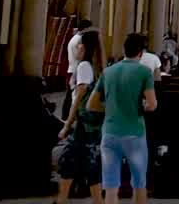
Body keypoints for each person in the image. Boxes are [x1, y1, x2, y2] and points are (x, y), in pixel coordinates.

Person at [87, 33, 157, 204]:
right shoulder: (144, 72)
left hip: (110, 133)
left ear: (124, 50)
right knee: (139, 184)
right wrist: (141, 106)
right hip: (134, 134)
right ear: (141, 52)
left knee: (110, 186)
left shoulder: (108, 71)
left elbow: (91, 104)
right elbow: (152, 104)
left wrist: (110, 108)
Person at [56, 31, 105, 204]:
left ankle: (62, 200)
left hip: (82, 123)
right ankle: (95, 200)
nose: (76, 47)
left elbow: (79, 96)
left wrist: (68, 123)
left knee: (69, 159)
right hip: (93, 123)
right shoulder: (97, 67)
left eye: (79, 44)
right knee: (86, 161)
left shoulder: (84, 66)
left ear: (85, 47)